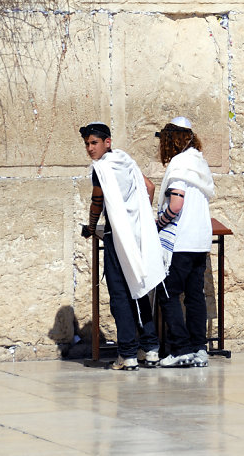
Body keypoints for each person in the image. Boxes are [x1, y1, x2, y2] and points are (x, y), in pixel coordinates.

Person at [81, 122, 166, 370]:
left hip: (116, 237)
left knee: (119, 295)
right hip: (137, 235)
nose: (90, 148)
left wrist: (91, 226)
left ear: (107, 142)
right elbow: (148, 187)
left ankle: (127, 354)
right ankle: (150, 349)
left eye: (94, 143)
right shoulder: (125, 161)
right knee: (139, 288)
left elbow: (98, 200)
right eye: (87, 144)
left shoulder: (102, 168)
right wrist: (135, 218)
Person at [154, 116, 215, 368]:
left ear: (172, 139)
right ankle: (200, 349)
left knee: (168, 294)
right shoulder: (199, 163)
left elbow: (176, 203)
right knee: (194, 296)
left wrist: (159, 222)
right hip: (200, 241)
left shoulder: (180, 166)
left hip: (181, 242)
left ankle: (181, 348)